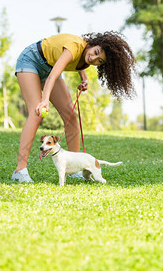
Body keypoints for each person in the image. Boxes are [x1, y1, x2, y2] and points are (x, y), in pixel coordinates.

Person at [11, 31, 136, 183]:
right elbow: (54, 75)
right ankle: (20, 170)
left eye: (99, 61)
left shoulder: (86, 56)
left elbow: (79, 61)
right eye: (96, 52)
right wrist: (44, 100)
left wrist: (84, 77)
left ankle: (74, 169)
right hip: (31, 60)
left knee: (72, 116)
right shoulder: (75, 46)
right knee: (37, 113)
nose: (94, 58)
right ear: (93, 44)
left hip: (50, 67)